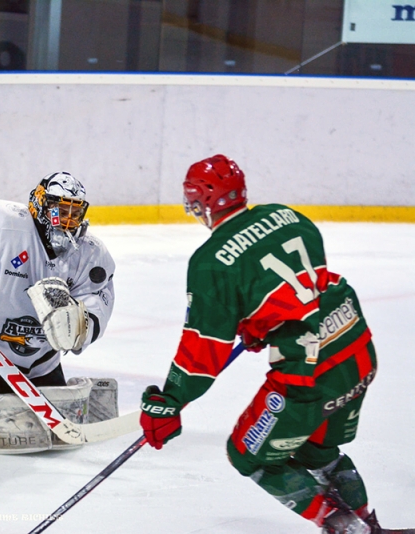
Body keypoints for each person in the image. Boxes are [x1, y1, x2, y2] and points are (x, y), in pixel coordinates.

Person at [139, 155, 386, 534]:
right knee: (316, 451)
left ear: (204, 199)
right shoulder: (288, 215)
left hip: (309, 370)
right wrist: (260, 322)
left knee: (248, 454)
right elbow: (306, 287)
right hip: (357, 347)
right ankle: (368, 523)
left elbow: (202, 352)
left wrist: (169, 401)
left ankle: (343, 528)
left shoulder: (211, 262)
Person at [0, 171, 115, 394]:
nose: (67, 219)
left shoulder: (90, 253)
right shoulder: (3, 221)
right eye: (60, 210)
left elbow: (98, 296)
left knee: (49, 427)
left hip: (42, 362)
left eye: (75, 213)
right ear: (40, 205)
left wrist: (82, 326)